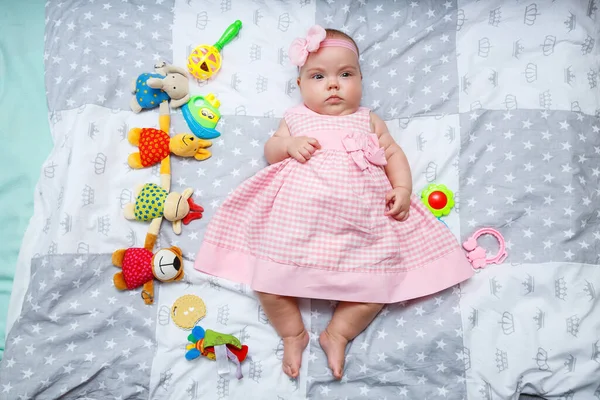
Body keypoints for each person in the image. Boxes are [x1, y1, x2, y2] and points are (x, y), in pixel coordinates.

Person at [195, 25, 474, 380]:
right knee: (267, 281)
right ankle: (293, 334)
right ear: (299, 86)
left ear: (360, 79)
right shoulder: (295, 119)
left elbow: (392, 153)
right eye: (318, 75)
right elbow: (271, 149)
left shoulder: (368, 120)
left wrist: (402, 188)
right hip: (296, 227)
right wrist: (288, 147)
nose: (333, 84)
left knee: (380, 284)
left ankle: (338, 332)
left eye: (346, 74)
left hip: (361, 229)